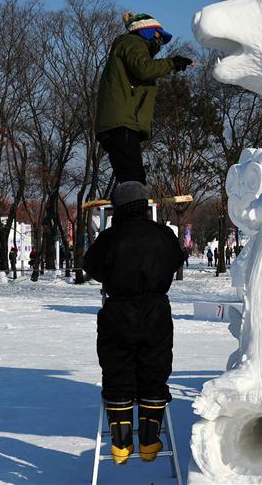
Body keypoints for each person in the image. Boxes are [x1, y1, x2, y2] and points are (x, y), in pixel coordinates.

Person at [83, 181, 185, 464]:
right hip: (156, 309)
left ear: (118, 207)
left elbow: (91, 266)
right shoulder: (162, 234)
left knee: (117, 369)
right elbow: (177, 258)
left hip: (118, 310)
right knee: (155, 368)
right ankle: (150, 441)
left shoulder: (110, 238)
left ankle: (120, 445)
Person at [95, 12, 193, 184]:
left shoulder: (127, 47)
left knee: (127, 179)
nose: (160, 41)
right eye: (158, 35)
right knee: (134, 179)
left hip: (115, 124)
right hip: (121, 124)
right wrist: (173, 63)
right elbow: (144, 69)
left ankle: (125, 209)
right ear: (146, 32)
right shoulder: (133, 42)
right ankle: (135, 209)